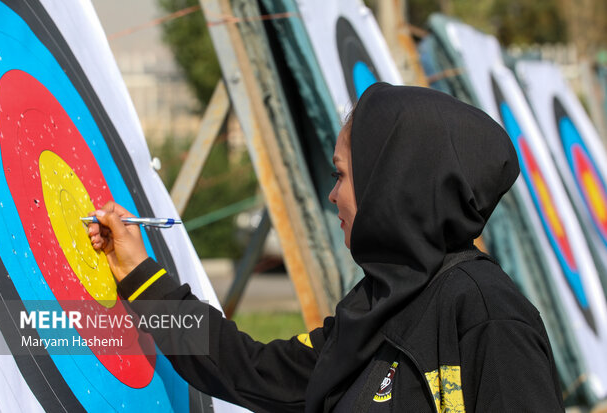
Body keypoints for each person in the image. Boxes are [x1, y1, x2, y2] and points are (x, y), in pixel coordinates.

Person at [88, 83, 564, 412]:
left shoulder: (486, 315)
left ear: (392, 182)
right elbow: (247, 369)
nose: (333, 194)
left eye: (341, 174)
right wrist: (139, 275)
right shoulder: (376, 308)